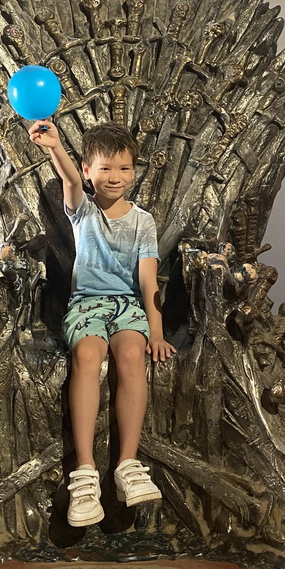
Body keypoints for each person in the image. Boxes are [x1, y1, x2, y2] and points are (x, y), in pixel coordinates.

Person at [28, 118, 176, 527]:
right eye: (106, 168)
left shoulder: (143, 221)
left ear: (135, 170)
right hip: (87, 304)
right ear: (89, 169)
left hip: (126, 305)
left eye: (125, 168)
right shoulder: (82, 210)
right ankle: (85, 474)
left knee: (132, 353)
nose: (116, 177)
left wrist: (157, 333)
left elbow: (148, 280)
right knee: (88, 355)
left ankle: (128, 465)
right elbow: (70, 182)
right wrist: (54, 147)